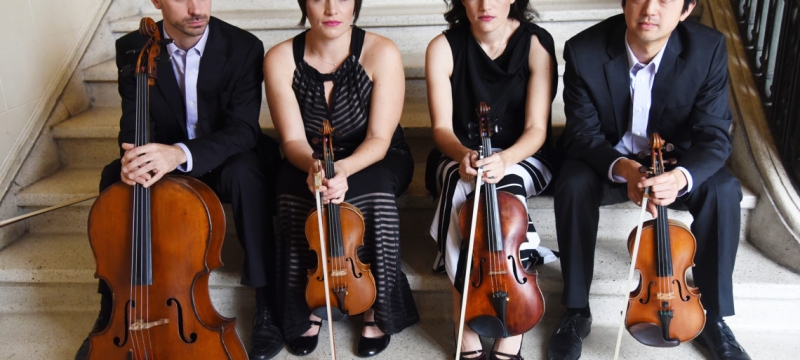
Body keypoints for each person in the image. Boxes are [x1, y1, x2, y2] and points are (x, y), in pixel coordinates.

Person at [74, 1, 284, 359]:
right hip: (165, 159)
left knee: (246, 173)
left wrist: (180, 153)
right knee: (114, 176)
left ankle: (266, 302)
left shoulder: (243, 46)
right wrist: (134, 159)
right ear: (156, 1)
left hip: (225, 157)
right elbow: (133, 125)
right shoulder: (132, 48)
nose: (195, 7)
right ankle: (111, 306)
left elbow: (242, 130)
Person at [548, 0, 750, 359]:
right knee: (573, 183)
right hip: (610, 160)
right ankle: (576, 310)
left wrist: (681, 177)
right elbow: (582, 135)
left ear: (686, 10)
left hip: (676, 164)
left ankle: (714, 317)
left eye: (666, 0)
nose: (650, 9)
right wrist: (623, 168)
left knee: (724, 188)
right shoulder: (584, 50)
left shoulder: (708, 49)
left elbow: (715, 136)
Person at [263, 0, 419, 357]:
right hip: (309, 156)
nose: (332, 8)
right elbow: (291, 142)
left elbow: (379, 139)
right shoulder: (280, 58)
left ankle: (378, 308)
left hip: (375, 156)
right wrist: (317, 168)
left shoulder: (382, 52)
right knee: (290, 191)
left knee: (375, 192)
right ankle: (305, 305)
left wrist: (343, 170)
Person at [425, 0, 558, 358]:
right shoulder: (442, 47)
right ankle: (464, 321)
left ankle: (511, 332)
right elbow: (440, 129)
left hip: (523, 155)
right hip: (457, 154)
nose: (486, 4)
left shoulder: (535, 44)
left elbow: (536, 129)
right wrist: (462, 155)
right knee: (459, 184)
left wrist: (504, 159)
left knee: (505, 190)